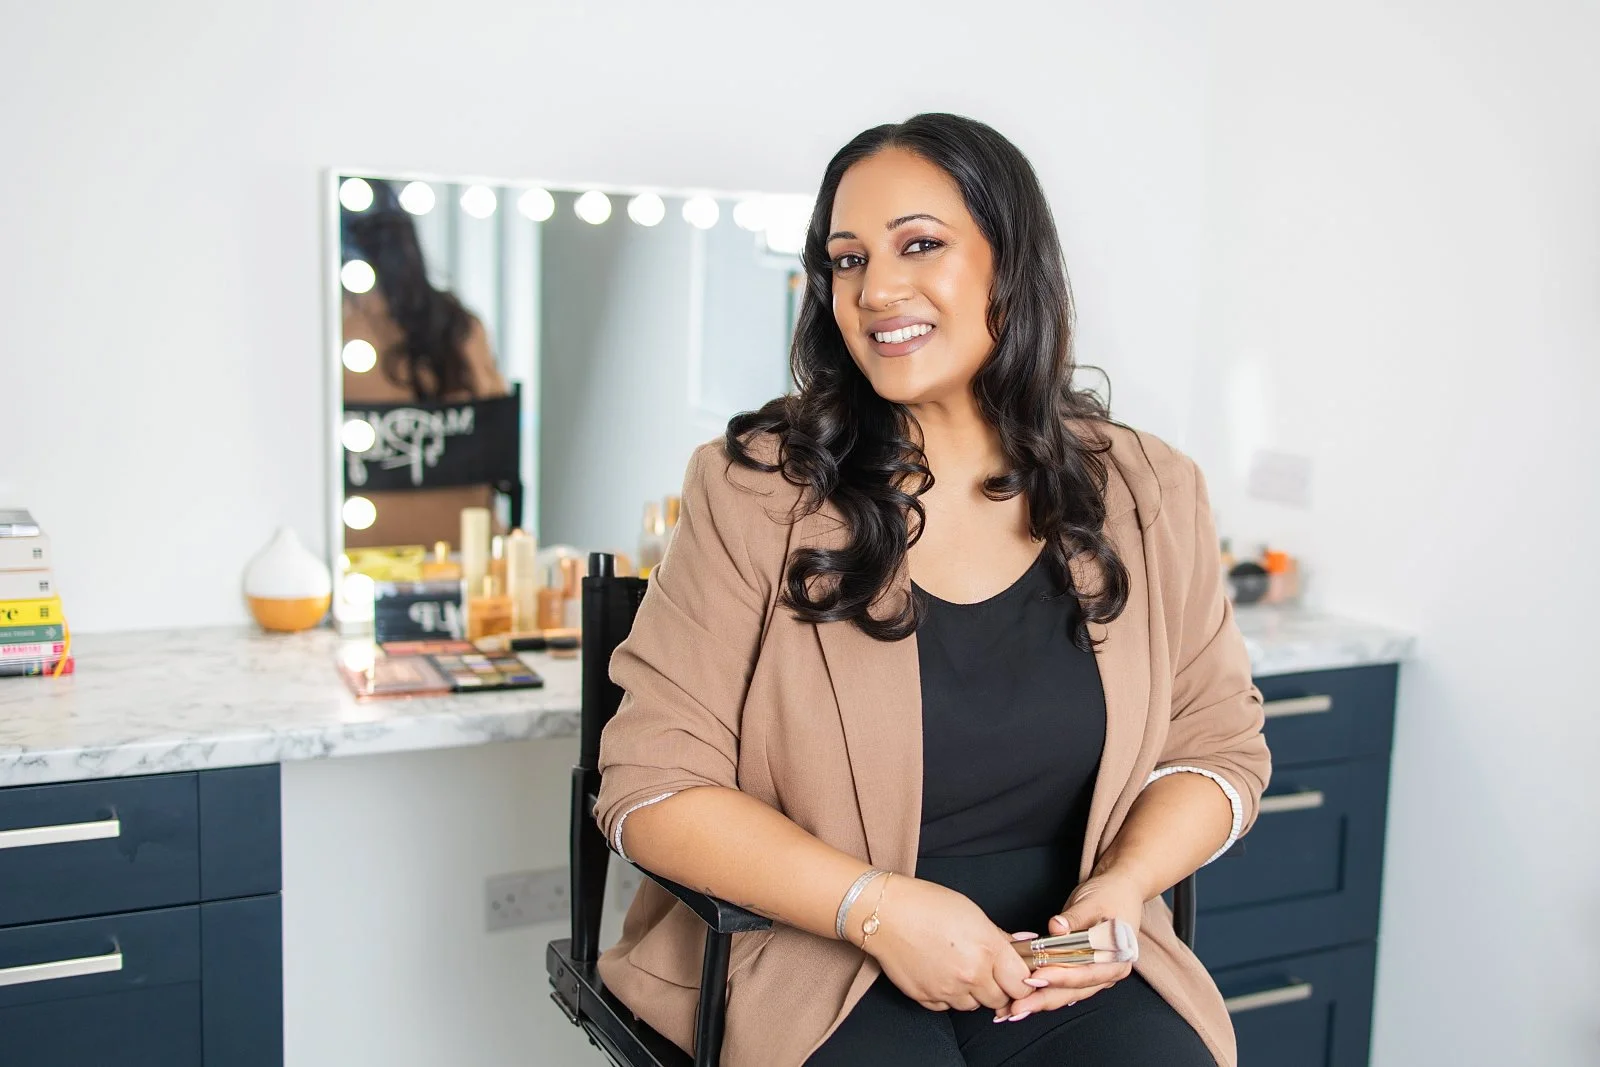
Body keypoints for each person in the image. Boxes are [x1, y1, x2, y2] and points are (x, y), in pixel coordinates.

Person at [592, 113, 1271, 1067]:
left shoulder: (1147, 489)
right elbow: (651, 785)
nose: (875, 290)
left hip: (1063, 963)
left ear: (1012, 261)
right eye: (846, 258)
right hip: (822, 958)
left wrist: (1124, 887)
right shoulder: (758, 490)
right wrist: (878, 909)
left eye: (920, 244)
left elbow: (1219, 748)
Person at [341, 180, 510, 549]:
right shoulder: (460, 325)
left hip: (360, 554)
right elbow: (499, 432)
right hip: (468, 553)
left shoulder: (333, 329)